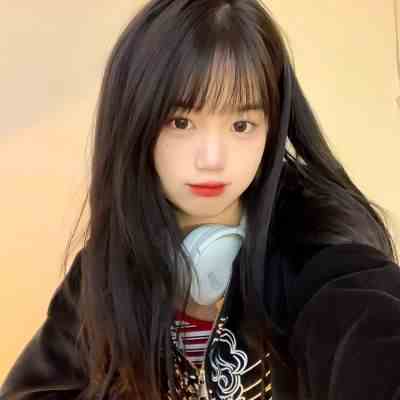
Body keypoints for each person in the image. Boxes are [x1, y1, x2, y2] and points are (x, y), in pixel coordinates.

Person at [1, 0, 399, 399]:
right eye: (181, 122)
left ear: (272, 130)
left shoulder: (315, 254)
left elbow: (370, 332)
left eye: (241, 125)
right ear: (135, 125)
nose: (212, 159)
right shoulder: (104, 273)